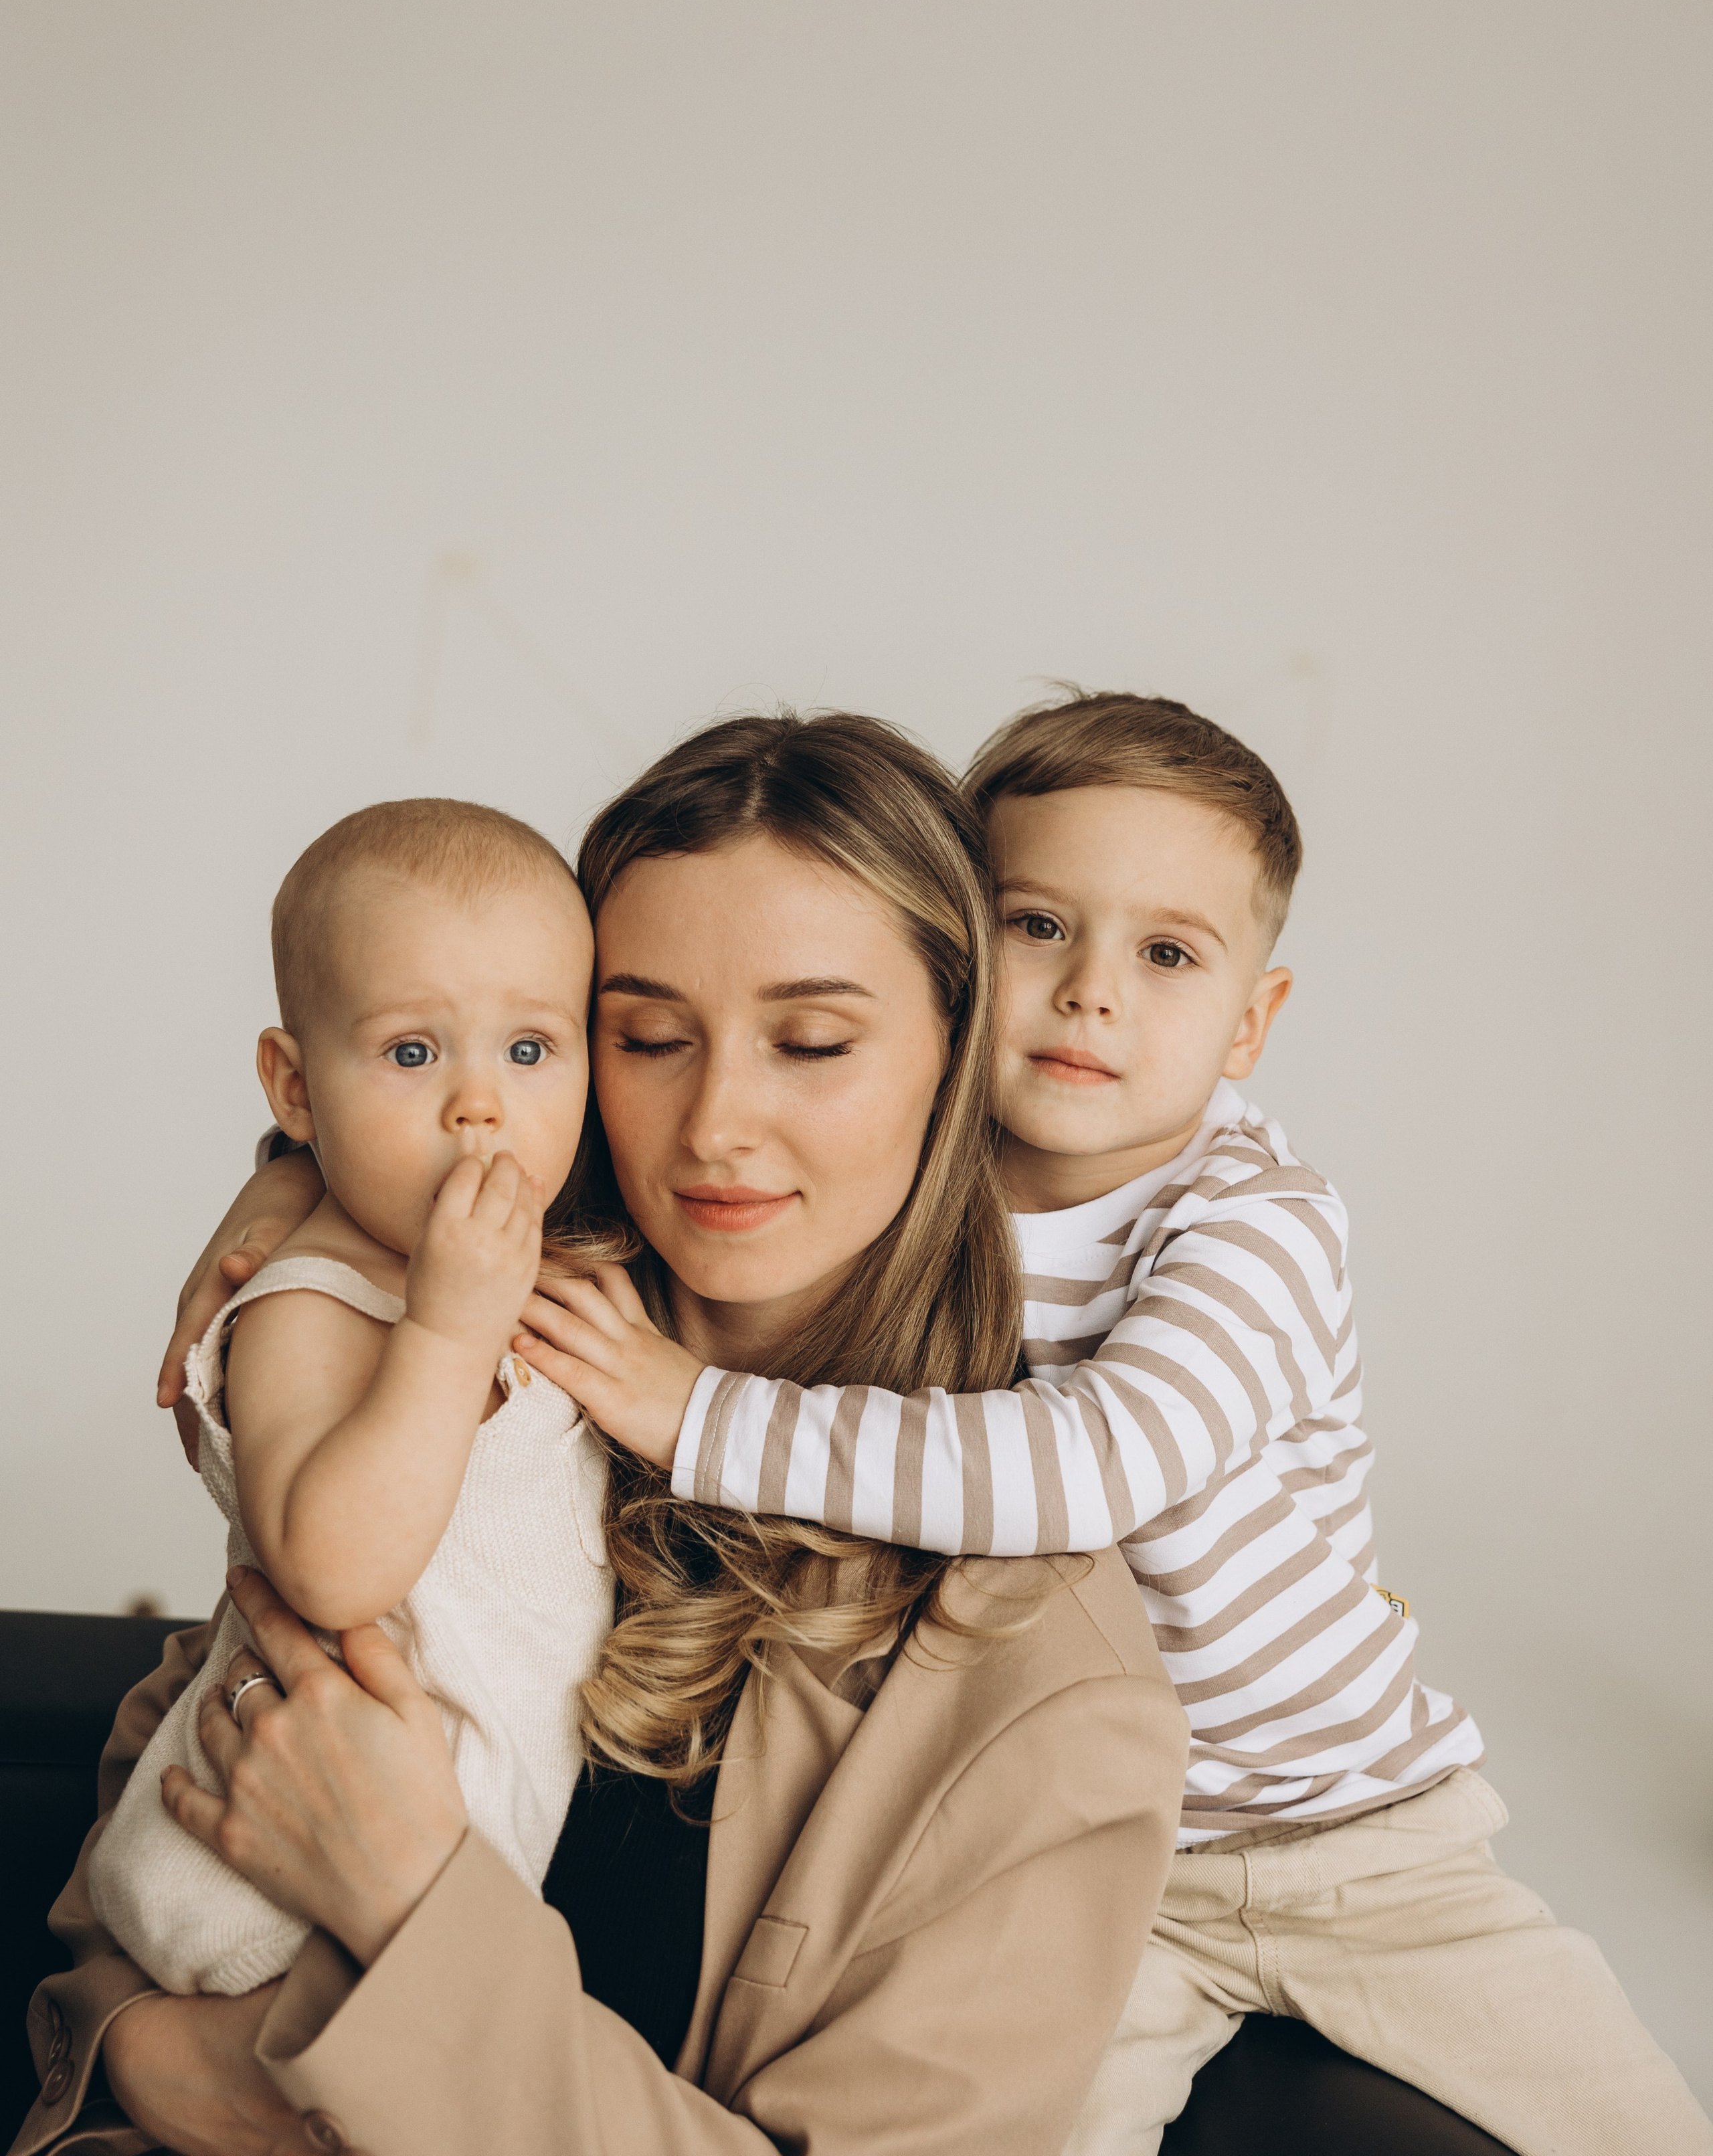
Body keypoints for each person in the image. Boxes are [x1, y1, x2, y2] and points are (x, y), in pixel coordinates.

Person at [508, 691, 1712, 2156]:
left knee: (1626, 2124)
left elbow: (1091, 1470)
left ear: (1252, 1020)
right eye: (1038, 927)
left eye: (1166, 954)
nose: (1091, 994)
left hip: (1353, 1833)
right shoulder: (923, 1183)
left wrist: (693, 1413)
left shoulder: (1255, 1223)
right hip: (1101, 1865)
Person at [14, 713, 1188, 2156]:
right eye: (646, 1038)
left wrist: (408, 1904)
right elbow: (193, 1755)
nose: (714, 1125)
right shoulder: (486, 1357)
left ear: (958, 1062)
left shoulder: (1044, 1678)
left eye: (812, 1041)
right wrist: (133, 2044)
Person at [86, 798, 614, 1999]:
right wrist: (446, 1331)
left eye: (531, 1050)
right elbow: (330, 1568)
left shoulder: (547, 1250)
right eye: (412, 1053)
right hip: (275, 1898)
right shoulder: (306, 1301)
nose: (480, 1105)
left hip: (440, 1874)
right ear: (295, 1088)